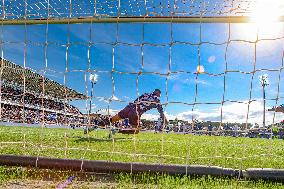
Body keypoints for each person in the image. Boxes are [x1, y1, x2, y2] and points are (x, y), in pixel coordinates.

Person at [84, 89, 167, 134]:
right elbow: (161, 112)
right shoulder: (157, 100)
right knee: (136, 131)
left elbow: (136, 100)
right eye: (159, 94)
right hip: (136, 113)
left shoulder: (145, 94)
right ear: (158, 94)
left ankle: (92, 127)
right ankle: (117, 130)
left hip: (129, 107)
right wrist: (165, 119)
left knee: (112, 119)